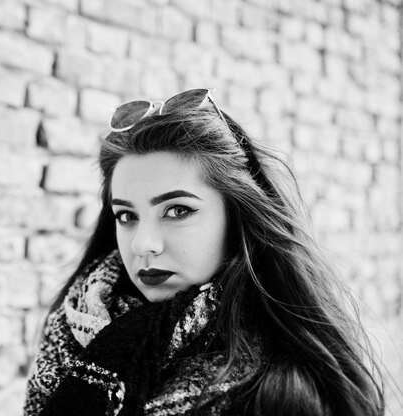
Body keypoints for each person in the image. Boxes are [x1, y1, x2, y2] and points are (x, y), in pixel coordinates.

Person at [23, 89, 384, 416]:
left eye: (178, 210)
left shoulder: (284, 389)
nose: (142, 244)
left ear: (237, 216)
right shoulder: (71, 331)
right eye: (127, 215)